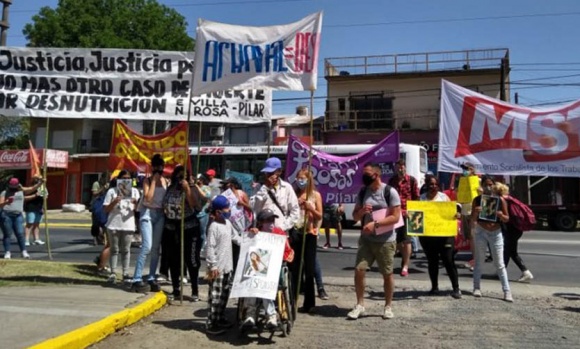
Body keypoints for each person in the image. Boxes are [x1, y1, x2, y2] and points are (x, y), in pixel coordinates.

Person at [348, 163, 401, 320]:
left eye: (367, 173)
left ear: (377, 175)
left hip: (385, 240)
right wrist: (361, 212)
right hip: (367, 240)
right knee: (359, 270)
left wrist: (376, 224)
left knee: (387, 273)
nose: (364, 176)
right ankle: (360, 305)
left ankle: (388, 306)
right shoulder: (363, 191)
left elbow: (395, 217)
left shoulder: (390, 192)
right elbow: (355, 217)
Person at [241, 208, 294, 330]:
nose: (271, 223)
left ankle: (271, 315)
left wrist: (279, 260)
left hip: (273, 270)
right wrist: (251, 234)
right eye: (268, 220)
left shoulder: (279, 233)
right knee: (253, 282)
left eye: (272, 220)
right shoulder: (254, 233)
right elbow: (245, 249)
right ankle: (250, 314)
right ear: (260, 222)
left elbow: (289, 252)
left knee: (264, 285)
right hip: (256, 270)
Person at [162, 165, 202, 300]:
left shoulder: (192, 188)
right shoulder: (170, 188)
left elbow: (195, 205)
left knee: (191, 259)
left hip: (189, 227)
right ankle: (176, 289)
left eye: (183, 176)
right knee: (174, 260)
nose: (180, 178)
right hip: (173, 228)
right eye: (178, 176)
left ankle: (195, 290)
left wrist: (187, 189)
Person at [471, 176, 513, 302]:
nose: (488, 187)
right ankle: (476, 287)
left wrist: (501, 215)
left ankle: (507, 291)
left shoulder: (500, 200)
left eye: (490, 184)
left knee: (499, 264)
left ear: (494, 186)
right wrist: (476, 213)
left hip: (495, 232)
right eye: (486, 184)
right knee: (479, 261)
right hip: (481, 231)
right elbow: (472, 219)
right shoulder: (478, 200)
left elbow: (507, 218)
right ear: (482, 186)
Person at [419, 175, 461, 299]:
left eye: (435, 184)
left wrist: (456, 215)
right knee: (432, 261)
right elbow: (417, 217)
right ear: (426, 185)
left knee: (448, 260)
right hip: (428, 236)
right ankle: (434, 287)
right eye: (430, 184)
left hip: (445, 235)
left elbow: (452, 212)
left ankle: (456, 288)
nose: (433, 187)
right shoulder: (421, 199)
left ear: (438, 185)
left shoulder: (444, 198)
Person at [205, 195, 242, 335]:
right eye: (226, 208)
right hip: (217, 269)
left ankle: (220, 318)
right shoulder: (213, 227)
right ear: (218, 211)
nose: (229, 210)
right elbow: (210, 248)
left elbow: (236, 238)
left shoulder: (228, 223)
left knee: (223, 296)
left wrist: (249, 240)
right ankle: (211, 323)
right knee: (215, 297)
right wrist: (213, 266)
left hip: (227, 266)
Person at [131, 154, 168, 293]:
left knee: (155, 248)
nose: (158, 169)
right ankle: (136, 278)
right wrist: (153, 181)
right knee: (146, 246)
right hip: (147, 213)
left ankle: (152, 276)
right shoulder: (147, 181)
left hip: (160, 214)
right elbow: (148, 197)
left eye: (161, 166)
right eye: (156, 166)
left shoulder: (166, 182)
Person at [291, 168, 323, 314]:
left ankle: (309, 303)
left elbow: (319, 215)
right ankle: (292, 300)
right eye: (298, 178)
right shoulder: (294, 194)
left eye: (303, 178)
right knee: (295, 268)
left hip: (309, 233)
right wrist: (296, 204)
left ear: (309, 179)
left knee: (309, 269)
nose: (300, 181)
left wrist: (310, 208)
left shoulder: (315, 195)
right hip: (295, 232)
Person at [103, 171, 140, 283]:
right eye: (123, 178)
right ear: (118, 179)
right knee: (114, 249)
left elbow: (138, 210)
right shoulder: (112, 191)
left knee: (126, 250)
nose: (126, 180)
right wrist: (114, 202)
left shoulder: (134, 191)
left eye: (128, 178)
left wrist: (136, 203)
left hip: (128, 225)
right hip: (114, 224)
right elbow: (106, 209)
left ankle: (125, 273)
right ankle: (113, 272)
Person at [496, 183, 534, 283]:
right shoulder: (510, 199)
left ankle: (526, 272)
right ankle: (501, 272)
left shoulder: (501, 200)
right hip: (517, 229)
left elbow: (505, 217)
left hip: (511, 229)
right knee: (509, 251)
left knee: (511, 251)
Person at [251, 157, 300, 236]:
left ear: (279, 172)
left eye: (272, 173)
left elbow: (295, 211)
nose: (269, 176)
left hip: (280, 233)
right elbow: (255, 209)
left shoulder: (287, 188)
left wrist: (282, 227)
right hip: (262, 233)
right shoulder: (259, 188)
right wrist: (266, 186)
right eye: (267, 173)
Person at [388, 159, 419, 277]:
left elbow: (416, 198)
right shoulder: (392, 181)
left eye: (402, 167)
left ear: (405, 167)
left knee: (407, 240)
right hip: (394, 214)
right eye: (398, 167)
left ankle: (405, 266)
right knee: (395, 240)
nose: (400, 169)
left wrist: (412, 213)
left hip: (407, 214)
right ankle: (402, 256)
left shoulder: (412, 180)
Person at [1, 178, 42, 259]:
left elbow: (32, 189)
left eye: (15, 186)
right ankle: (7, 252)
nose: (14, 188)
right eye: (12, 186)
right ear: (9, 185)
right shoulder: (5, 192)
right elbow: (0, 204)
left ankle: (23, 251)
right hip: (6, 215)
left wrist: (41, 182)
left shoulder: (21, 190)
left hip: (18, 215)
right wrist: (6, 202)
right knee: (7, 234)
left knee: (20, 234)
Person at [457, 162, 479, 271]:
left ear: (472, 170)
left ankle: (476, 260)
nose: (464, 171)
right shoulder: (462, 181)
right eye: (463, 169)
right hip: (465, 211)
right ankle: (474, 258)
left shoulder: (477, 181)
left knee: (473, 235)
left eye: (467, 169)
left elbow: (483, 194)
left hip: (474, 211)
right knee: (469, 237)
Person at [24, 175, 47, 246]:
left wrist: (43, 207)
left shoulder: (42, 188)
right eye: (37, 179)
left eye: (39, 179)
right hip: (31, 208)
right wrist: (35, 195)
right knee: (29, 224)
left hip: (39, 208)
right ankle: (26, 240)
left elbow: (45, 197)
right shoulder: (29, 188)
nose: (38, 180)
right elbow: (25, 197)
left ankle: (36, 239)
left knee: (37, 224)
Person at [91, 174, 109, 245]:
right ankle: (95, 237)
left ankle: (104, 238)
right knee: (95, 223)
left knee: (104, 222)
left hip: (104, 204)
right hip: (96, 205)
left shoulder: (108, 185)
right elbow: (94, 193)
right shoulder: (96, 184)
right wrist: (103, 188)